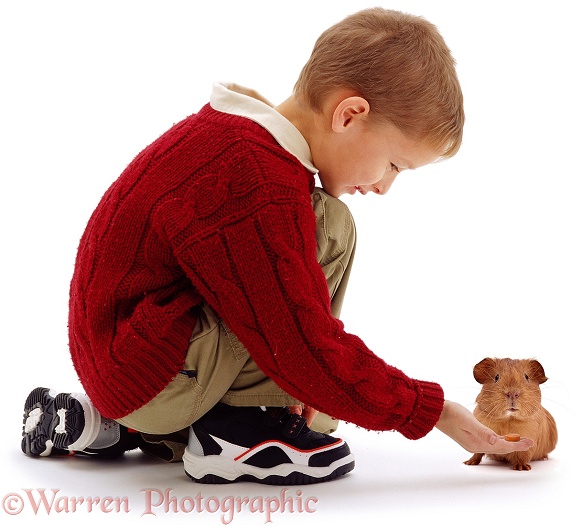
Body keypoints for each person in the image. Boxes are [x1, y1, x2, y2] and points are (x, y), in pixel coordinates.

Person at [21, 8, 533, 484]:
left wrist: (310, 384)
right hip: (155, 374)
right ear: (350, 114)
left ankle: (113, 424)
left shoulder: (234, 135)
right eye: (395, 165)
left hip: (128, 364)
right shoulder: (257, 183)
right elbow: (301, 342)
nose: (384, 187)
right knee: (331, 230)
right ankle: (240, 429)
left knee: (324, 398)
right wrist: (432, 410)